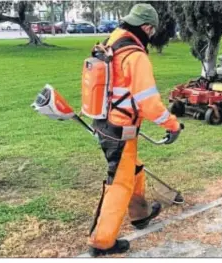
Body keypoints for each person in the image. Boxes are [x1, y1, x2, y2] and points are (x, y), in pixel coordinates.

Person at [88, 3, 183, 257]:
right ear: (146, 28)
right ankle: (102, 242)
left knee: (133, 168)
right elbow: (150, 104)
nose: (151, 37)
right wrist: (172, 125)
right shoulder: (135, 56)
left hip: (106, 122)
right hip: (121, 128)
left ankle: (140, 214)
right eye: (151, 31)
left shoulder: (111, 43)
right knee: (120, 183)